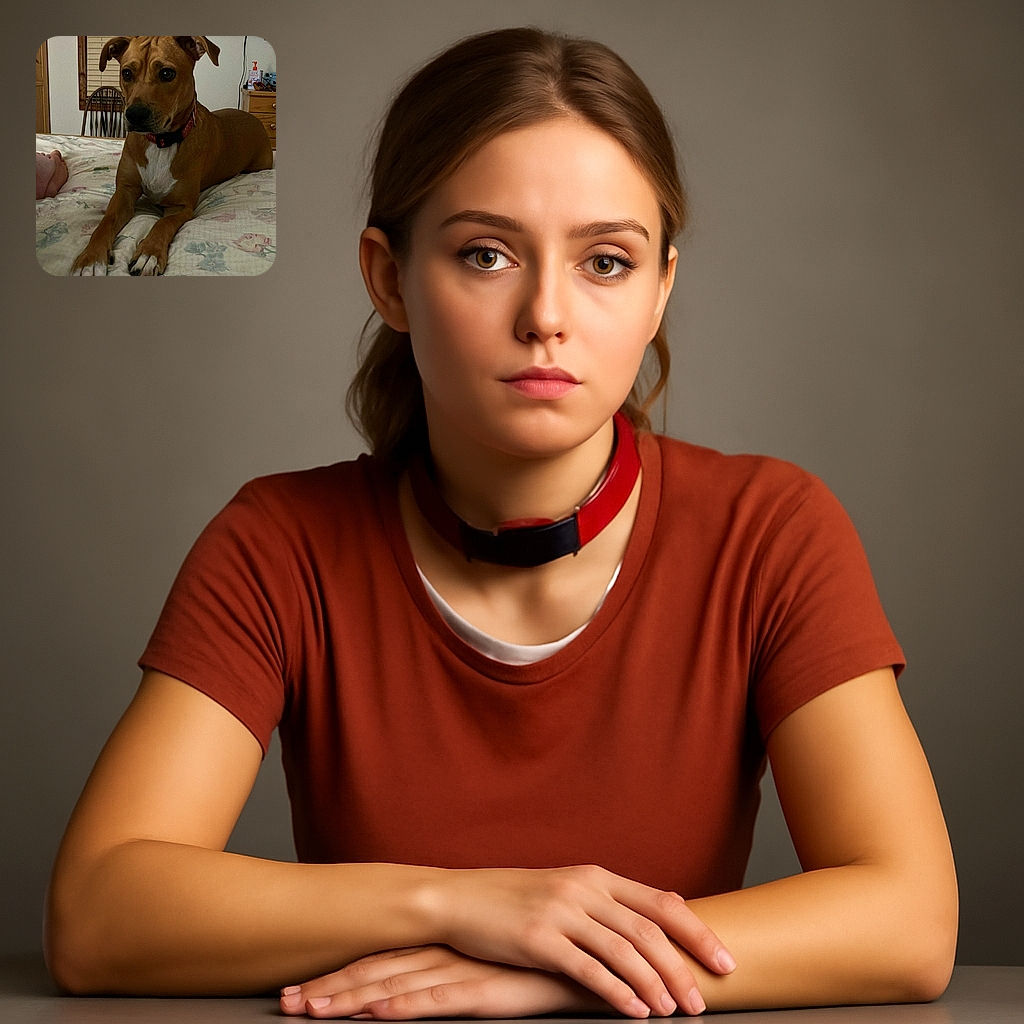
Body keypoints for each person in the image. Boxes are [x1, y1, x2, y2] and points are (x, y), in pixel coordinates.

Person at [44, 26, 957, 1019]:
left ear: (661, 289)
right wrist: (465, 905)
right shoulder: (279, 544)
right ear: (388, 278)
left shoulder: (772, 532)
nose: (545, 316)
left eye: (606, 261)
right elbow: (97, 915)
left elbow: (910, 922)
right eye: (485, 254)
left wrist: (554, 973)